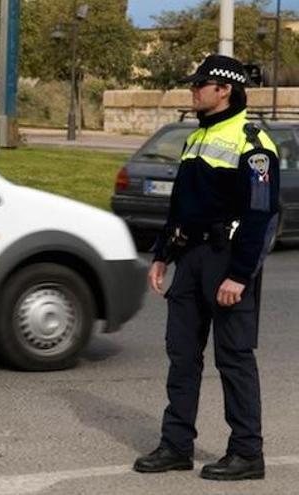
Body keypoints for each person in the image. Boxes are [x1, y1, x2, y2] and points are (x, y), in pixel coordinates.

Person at [133, 55, 280, 481]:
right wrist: (162, 253)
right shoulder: (196, 138)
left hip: (227, 259)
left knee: (233, 359)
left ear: (225, 90)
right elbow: (182, 206)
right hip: (191, 260)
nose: (193, 90)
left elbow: (260, 215)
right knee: (181, 356)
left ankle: (247, 452)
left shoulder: (253, 143)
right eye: (193, 84)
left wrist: (240, 274)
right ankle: (176, 445)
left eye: (201, 84)